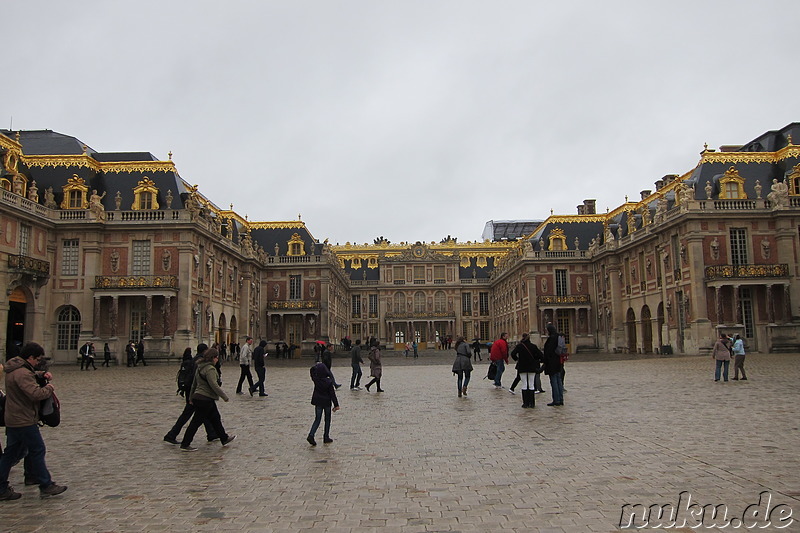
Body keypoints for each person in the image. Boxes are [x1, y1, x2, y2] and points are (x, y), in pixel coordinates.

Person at [0, 342, 68, 500]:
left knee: (10, 454)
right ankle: (45, 484)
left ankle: (3, 486)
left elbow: (26, 379)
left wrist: (39, 375)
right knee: (37, 450)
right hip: (23, 419)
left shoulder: (15, 369)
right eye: (37, 359)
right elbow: (35, 394)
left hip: (14, 418)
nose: (38, 362)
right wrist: (49, 388)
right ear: (30, 357)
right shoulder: (22, 373)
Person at [179, 348, 236, 451]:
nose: (217, 360)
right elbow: (214, 385)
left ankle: (224, 438)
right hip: (205, 399)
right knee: (196, 422)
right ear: (213, 358)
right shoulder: (210, 369)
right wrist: (224, 397)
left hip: (199, 397)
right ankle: (185, 443)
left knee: (215, 418)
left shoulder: (200, 367)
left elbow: (194, 384)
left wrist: (191, 397)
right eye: (217, 357)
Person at [163, 344, 219, 445]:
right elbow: (197, 379)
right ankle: (172, 435)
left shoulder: (195, 360)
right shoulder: (200, 362)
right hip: (197, 393)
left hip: (194, 392)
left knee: (204, 413)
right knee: (189, 415)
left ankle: (212, 434)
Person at [306, 362, 340, 446]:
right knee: (327, 419)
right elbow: (332, 394)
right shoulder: (329, 381)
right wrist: (336, 405)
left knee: (317, 419)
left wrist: (315, 366)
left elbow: (311, 371)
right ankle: (326, 436)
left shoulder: (316, 380)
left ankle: (311, 434)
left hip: (318, 402)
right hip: (326, 402)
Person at [509, 333, 544, 408]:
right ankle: (532, 403)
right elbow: (541, 355)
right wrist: (536, 360)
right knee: (531, 384)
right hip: (532, 367)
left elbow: (512, 354)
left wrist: (517, 359)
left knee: (524, 384)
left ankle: (525, 403)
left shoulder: (519, 346)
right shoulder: (533, 346)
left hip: (522, 367)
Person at [543, 324, 564, 406]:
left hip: (552, 362)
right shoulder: (558, 337)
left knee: (554, 381)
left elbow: (548, 352)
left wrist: (545, 362)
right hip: (558, 362)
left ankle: (556, 400)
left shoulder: (552, 338)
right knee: (559, 381)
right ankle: (561, 399)